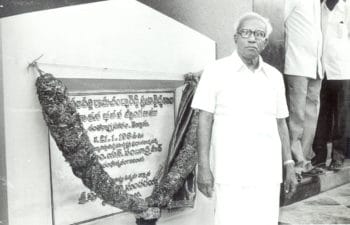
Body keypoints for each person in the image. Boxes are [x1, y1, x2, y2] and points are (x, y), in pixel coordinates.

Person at [191, 12, 297, 225]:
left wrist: (289, 164)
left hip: (267, 172)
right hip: (229, 171)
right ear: (235, 37)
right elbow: (204, 120)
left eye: (259, 34)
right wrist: (204, 167)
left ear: (265, 42)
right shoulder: (215, 71)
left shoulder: (274, 76)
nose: (252, 38)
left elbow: (281, 123)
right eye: (246, 32)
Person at [284, 0, 324, 176]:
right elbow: (280, 24)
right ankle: (296, 162)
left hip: (316, 65)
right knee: (297, 115)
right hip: (296, 63)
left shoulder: (317, 3)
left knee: (311, 114)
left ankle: (306, 161)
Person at [312, 0, 350, 171]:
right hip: (323, 70)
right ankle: (319, 156)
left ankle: (338, 156)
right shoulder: (319, 7)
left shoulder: (347, 6)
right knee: (322, 114)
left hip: (344, 71)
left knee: (342, 116)